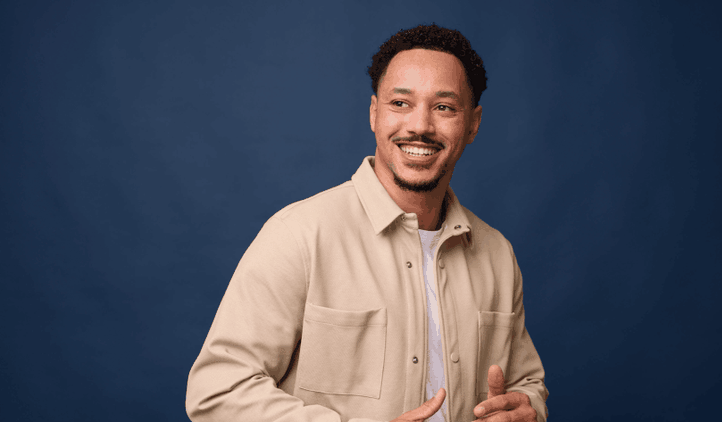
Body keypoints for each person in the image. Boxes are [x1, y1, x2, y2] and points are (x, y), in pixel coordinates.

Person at [186, 24, 548, 422]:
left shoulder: (497, 254)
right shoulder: (299, 235)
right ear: (375, 113)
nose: (420, 126)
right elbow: (218, 392)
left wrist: (527, 407)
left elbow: (526, 383)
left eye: (444, 107)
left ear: (473, 124)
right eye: (400, 103)